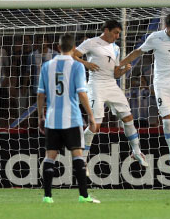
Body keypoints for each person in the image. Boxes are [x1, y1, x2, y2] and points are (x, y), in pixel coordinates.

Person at [120, 13, 170, 173]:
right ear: (166, 27)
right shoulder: (156, 37)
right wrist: (121, 63)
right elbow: (138, 52)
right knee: (167, 121)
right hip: (163, 84)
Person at [72, 20, 147, 167]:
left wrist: (123, 70)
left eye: (119, 33)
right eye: (115, 32)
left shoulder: (116, 48)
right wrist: (86, 64)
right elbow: (72, 55)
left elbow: (115, 74)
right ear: (106, 30)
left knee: (128, 117)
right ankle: (83, 159)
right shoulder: (91, 43)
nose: (117, 36)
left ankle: (136, 151)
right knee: (95, 125)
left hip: (111, 85)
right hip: (96, 85)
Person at [38, 34, 99, 204]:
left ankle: (47, 197)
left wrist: (40, 116)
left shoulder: (46, 66)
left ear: (58, 47)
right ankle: (84, 196)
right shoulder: (77, 66)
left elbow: (40, 94)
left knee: (50, 156)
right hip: (72, 118)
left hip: (52, 119)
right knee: (78, 155)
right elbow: (81, 92)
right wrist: (91, 116)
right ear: (73, 49)